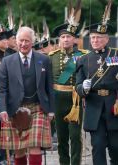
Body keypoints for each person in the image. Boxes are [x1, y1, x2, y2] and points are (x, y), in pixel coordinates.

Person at [75, 3, 118, 164]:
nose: (95, 40)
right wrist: (83, 88)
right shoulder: (83, 59)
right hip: (94, 107)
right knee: (98, 145)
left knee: (116, 146)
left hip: (114, 106)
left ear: (107, 39)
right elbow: (78, 86)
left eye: (99, 37)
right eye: (93, 37)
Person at [0, 26, 54, 165]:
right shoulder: (7, 61)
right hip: (15, 109)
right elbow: (1, 88)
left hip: (38, 108)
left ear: (32, 42)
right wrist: (2, 109)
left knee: (35, 146)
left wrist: (51, 109)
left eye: (27, 40)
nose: (23, 44)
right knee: (19, 149)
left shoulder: (44, 60)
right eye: (21, 40)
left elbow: (49, 87)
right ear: (16, 41)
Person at [49, 17, 88, 165]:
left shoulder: (83, 56)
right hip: (58, 99)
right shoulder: (52, 57)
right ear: (59, 39)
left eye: (69, 37)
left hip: (75, 99)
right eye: (63, 37)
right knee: (61, 137)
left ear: (74, 39)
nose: (65, 39)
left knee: (75, 136)